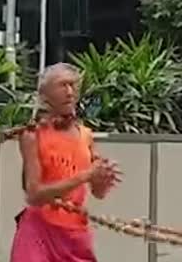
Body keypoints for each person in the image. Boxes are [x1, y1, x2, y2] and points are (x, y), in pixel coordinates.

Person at [11, 63, 121, 262]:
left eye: (73, 86)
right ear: (45, 94)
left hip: (74, 234)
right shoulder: (32, 135)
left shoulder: (85, 135)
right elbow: (34, 194)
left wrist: (102, 179)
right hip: (39, 232)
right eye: (62, 86)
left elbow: (98, 193)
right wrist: (85, 176)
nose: (70, 92)